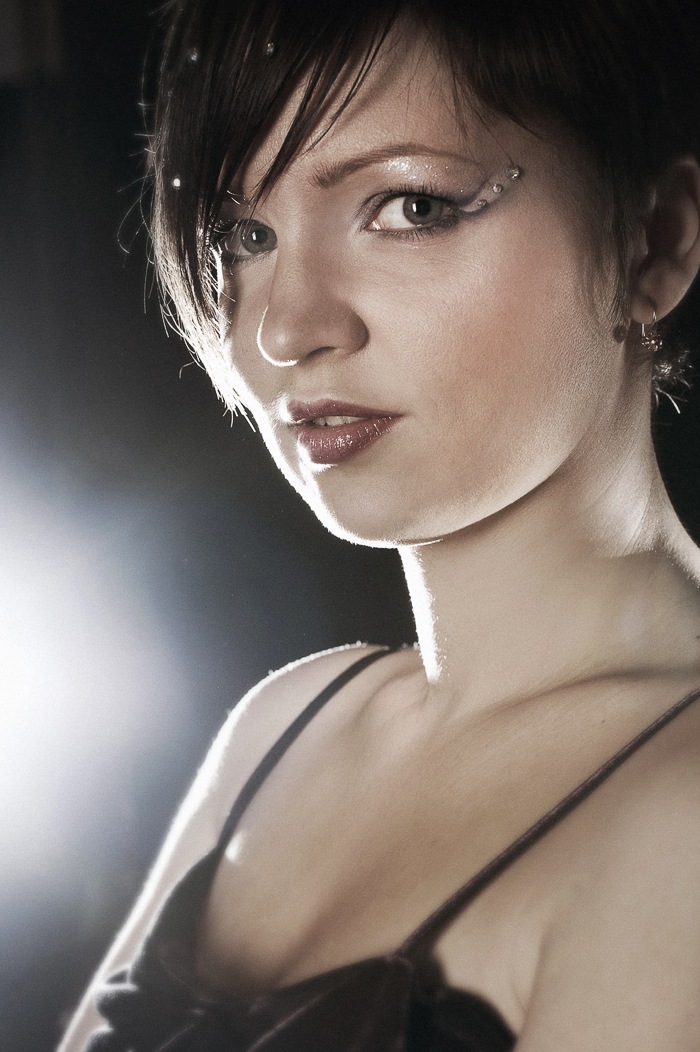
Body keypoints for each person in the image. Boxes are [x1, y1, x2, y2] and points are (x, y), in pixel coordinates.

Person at [59, 0, 700, 1048]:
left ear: (655, 241)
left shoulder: (683, 809)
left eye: (410, 206)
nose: (287, 325)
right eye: (244, 235)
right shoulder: (283, 727)